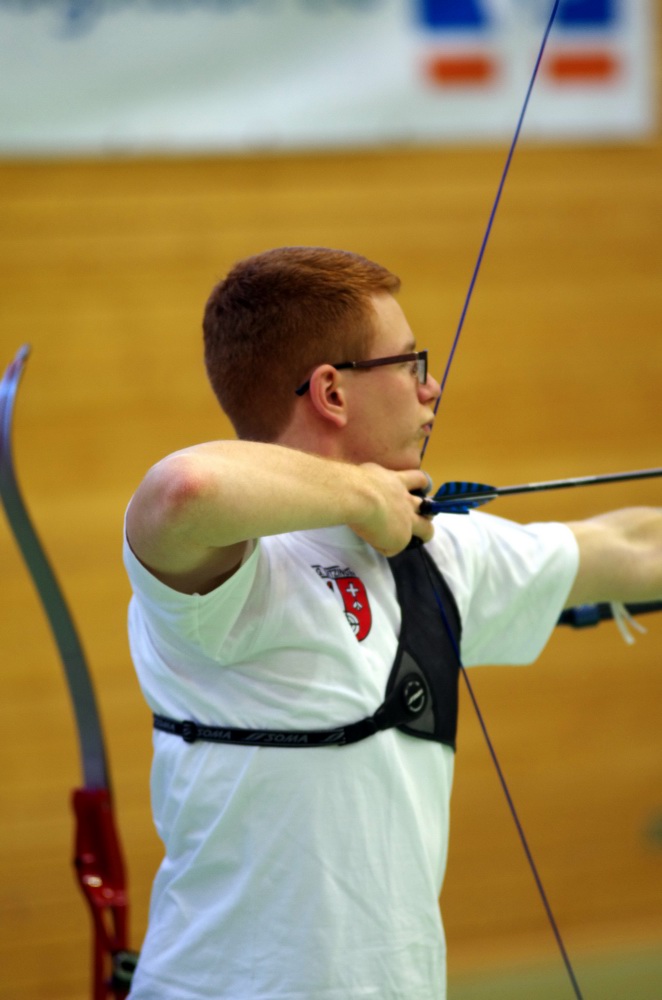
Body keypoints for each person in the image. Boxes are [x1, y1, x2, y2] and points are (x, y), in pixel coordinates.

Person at [123, 246, 662, 1000]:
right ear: (331, 391)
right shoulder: (237, 574)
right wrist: (362, 496)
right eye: (411, 363)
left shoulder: (435, 551)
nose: (430, 388)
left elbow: (634, 547)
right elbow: (185, 489)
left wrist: (377, 509)